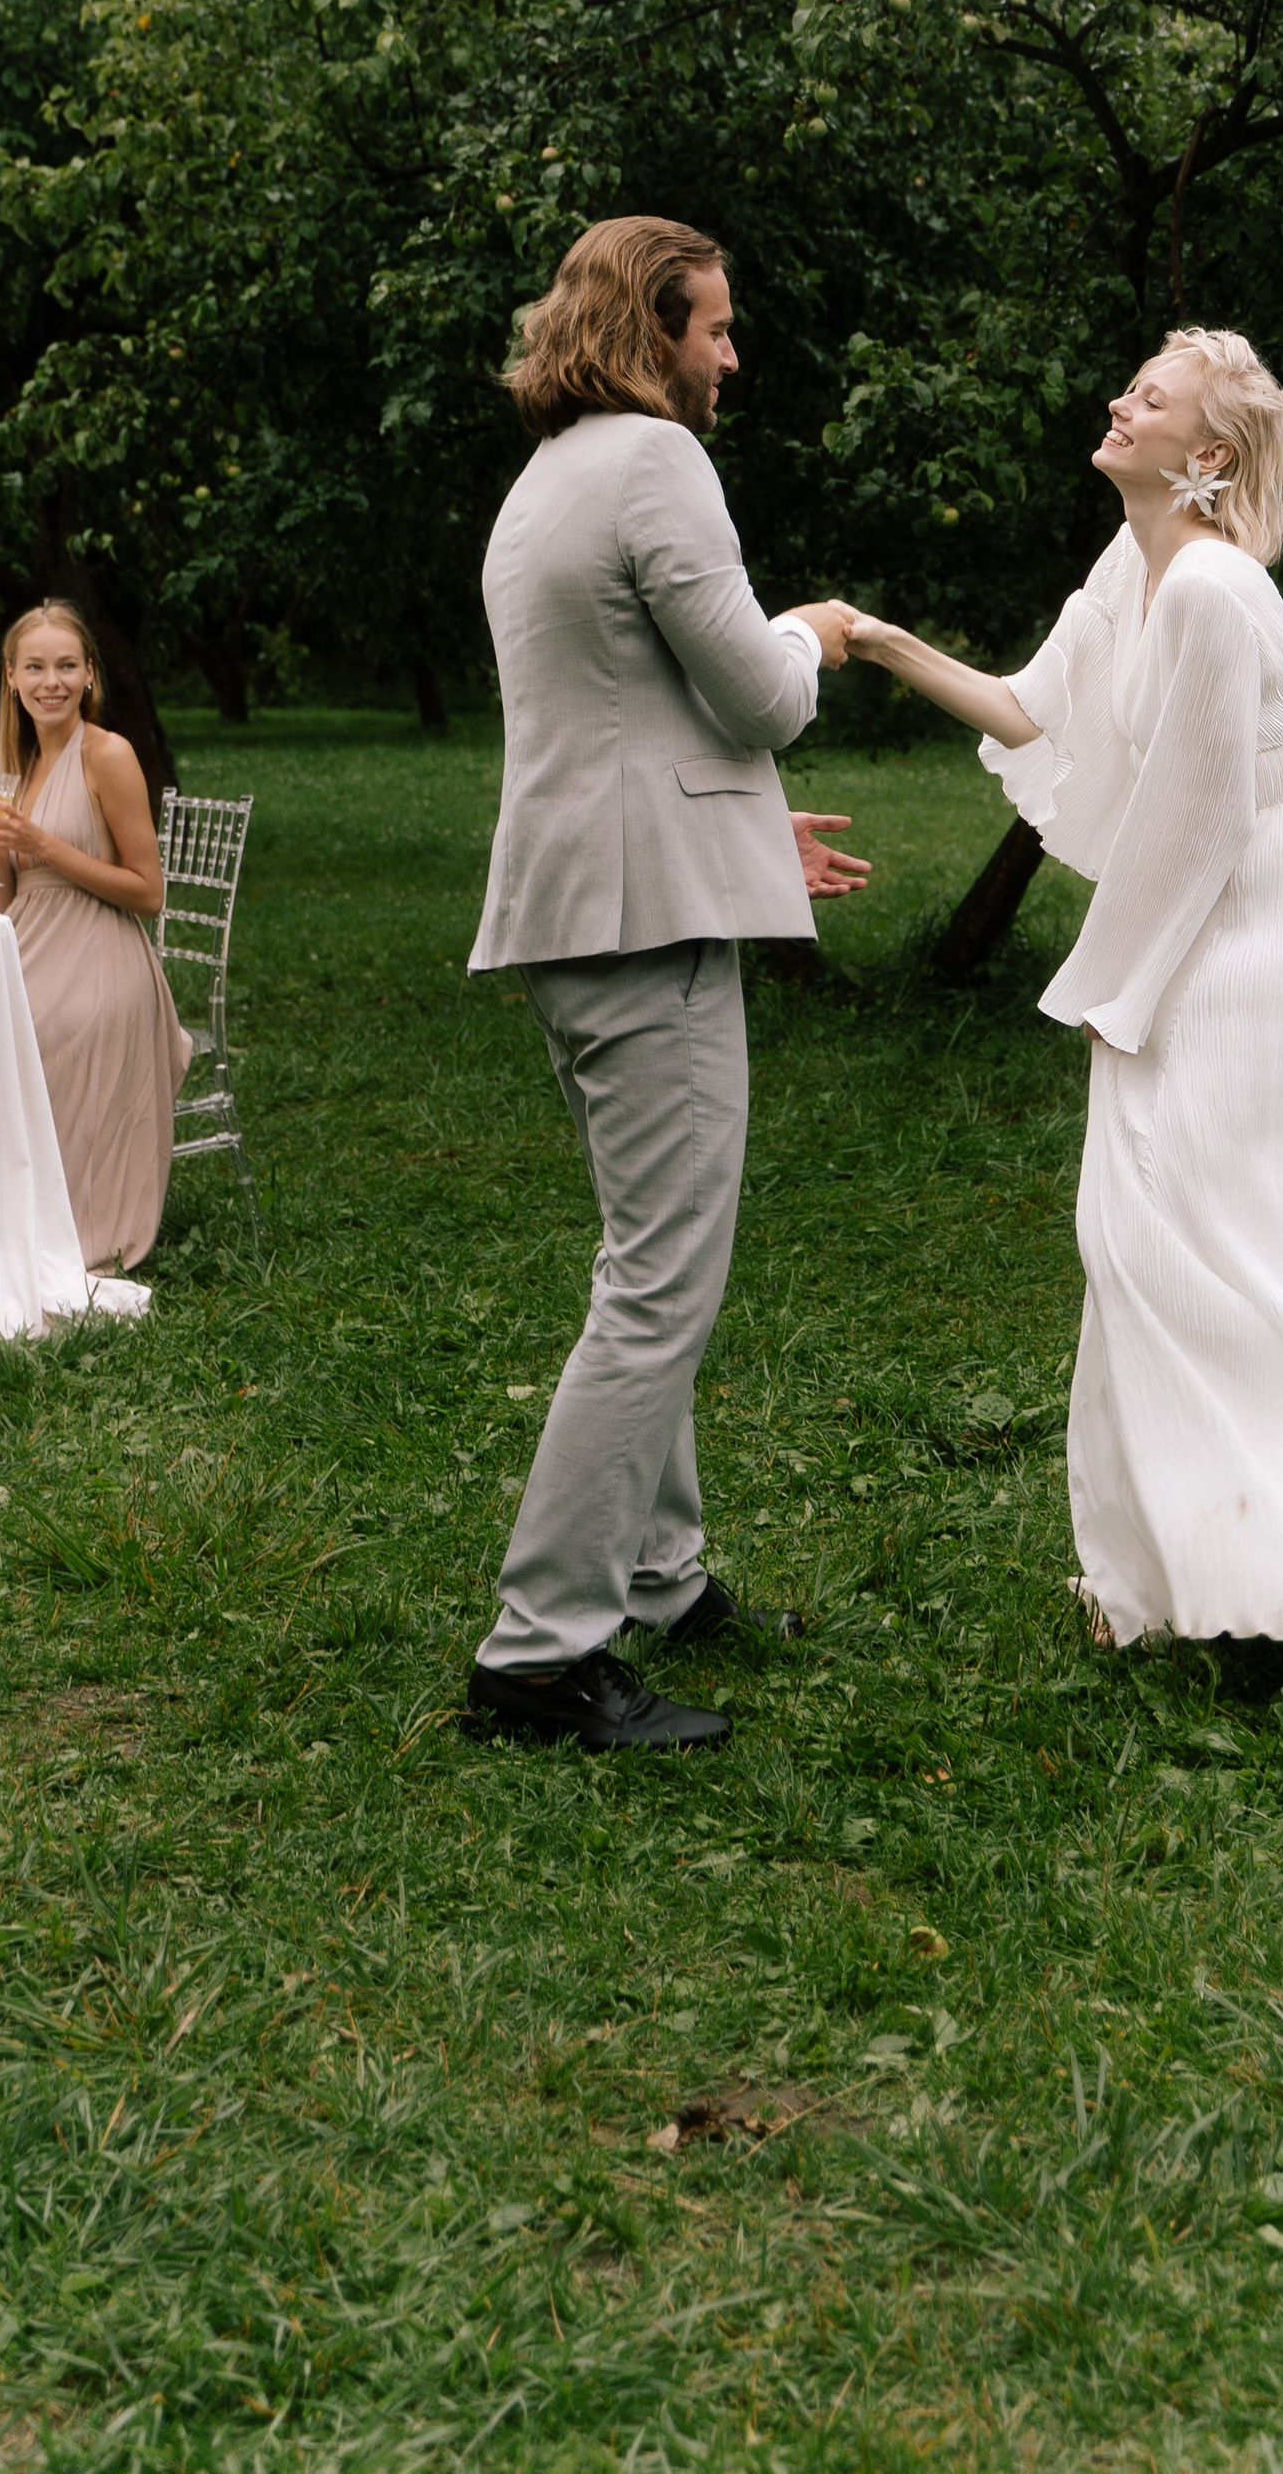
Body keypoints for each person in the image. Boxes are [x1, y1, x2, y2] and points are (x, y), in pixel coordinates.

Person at [839, 325, 1283, 1655]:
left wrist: (1108, 991)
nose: (1119, 404)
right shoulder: (1135, 563)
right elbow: (1028, 710)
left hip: (1250, 941)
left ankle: (1278, 1557)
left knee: (1183, 1237)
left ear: (1209, 455)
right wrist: (875, 640)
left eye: (1151, 398)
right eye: (1131, 388)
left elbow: (1204, 823)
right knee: (1139, 1237)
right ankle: (1172, 1568)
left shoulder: (1217, 594)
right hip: (1192, 919)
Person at [464, 214, 865, 1756]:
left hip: (579, 914)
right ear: (653, 329)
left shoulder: (546, 479)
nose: (731, 356)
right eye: (716, 328)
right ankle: (538, 1657)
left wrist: (749, 834)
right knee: (657, 1287)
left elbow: (618, 719)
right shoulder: (657, 460)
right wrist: (812, 633)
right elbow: (758, 697)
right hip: (644, 934)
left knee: (649, 1260)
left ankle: (662, 1575)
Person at [0, 600, 191, 1276]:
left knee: (38, 1032)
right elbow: (8, 900)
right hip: (30, 947)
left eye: (66, 666)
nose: (52, 682)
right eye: (35, 668)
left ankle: (77, 1227)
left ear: (90, 673)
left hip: (101, 959)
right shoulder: (20, 763)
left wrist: (40, 843)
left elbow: (148, 893)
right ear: (11, 677)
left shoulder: (108, 754)